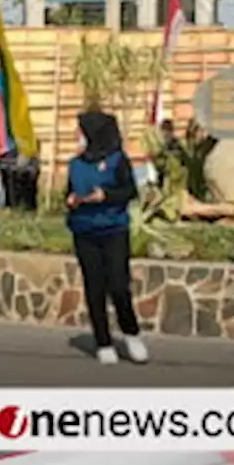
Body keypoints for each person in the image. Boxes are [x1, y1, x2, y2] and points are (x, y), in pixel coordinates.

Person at [66, 110, 148, 365]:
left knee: (118, 286)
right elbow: (68, 193)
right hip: (84, 230)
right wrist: (71, 200)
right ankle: (103, 341)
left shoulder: (117, 160)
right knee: (94, 287)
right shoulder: (75, 164)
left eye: (81, 130)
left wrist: (106, 196)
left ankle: (131, 332)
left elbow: (130, 191)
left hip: (113, 230)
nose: (77, 135)